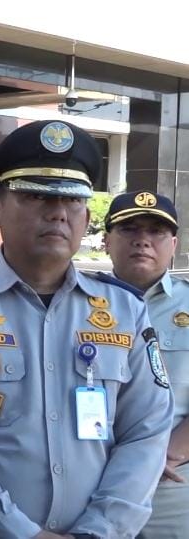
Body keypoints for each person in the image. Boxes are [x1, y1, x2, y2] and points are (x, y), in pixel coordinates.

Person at [0, 120, 174, 539]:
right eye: (35, 195)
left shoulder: (125, 310)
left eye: (73, 199)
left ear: (87, 217)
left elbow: (146, 430)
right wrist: (15, 530)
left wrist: (100, 530)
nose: (58, 212)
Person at [102, 190, 187, 539]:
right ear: (107, 241)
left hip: (172, 481)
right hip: (93, 478)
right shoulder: (75, 305)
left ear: (174, 244)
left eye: (156, 231)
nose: (143, 240)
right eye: (129, 229)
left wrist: (170, 451)